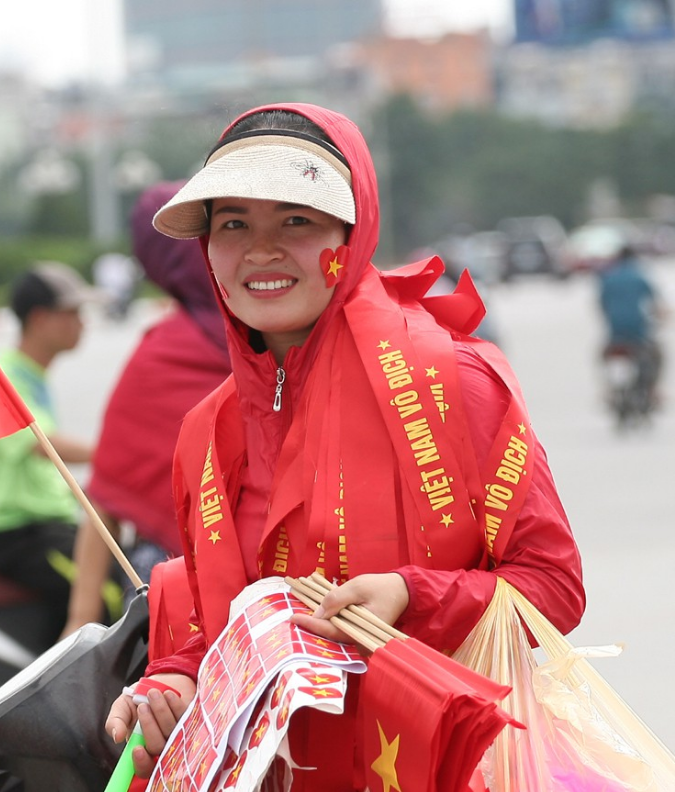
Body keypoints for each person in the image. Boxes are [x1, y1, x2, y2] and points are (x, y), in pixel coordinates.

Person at [105, 103, 585, 791]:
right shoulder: (205, 434)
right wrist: (173, 682)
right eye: (233, 223)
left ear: (351, 236)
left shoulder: (454, 384)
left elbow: (554, 589)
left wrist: (408, 596)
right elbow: (220, 626)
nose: (261, 250)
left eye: (296, 220)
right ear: (206, 248)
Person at [64, 181, 232, 635]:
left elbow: (107, 495)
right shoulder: (285, 325)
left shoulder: (163, 352)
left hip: (175, 595)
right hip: (296, 587)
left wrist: (79, 621)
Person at [0, 262, 95, 630]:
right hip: (21, 534)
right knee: (104, 593)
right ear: (40, 318)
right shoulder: (2, 375)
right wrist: (115, 455)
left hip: (47, 528)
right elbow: (41, 445)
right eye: (73, 313)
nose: (82, 324)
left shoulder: (30, 375)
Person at [598, 243, 665, 406]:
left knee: (603, 355)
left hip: (616, 331)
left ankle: (610, 390)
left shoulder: (608, 277)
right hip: (638, 330)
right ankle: (652, 390)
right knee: (657, 355)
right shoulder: (639, 276)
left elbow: (602, 304)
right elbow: (655, 303)